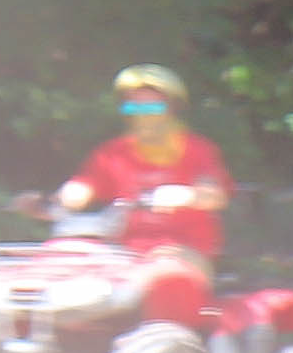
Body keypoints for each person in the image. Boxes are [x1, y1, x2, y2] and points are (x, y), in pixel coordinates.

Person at [52, 64, 229, 323]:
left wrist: (188, 196)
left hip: (182, 252)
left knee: (167, 278)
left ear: (172, 108)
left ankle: (169, 338)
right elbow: (86, 183)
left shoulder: (197, 150)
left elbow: (215, 195)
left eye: (151, 108)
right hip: (122, 253)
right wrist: (70, 194)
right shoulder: (113, 152)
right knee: (60, 257)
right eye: (132, 108)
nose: (142, 116)